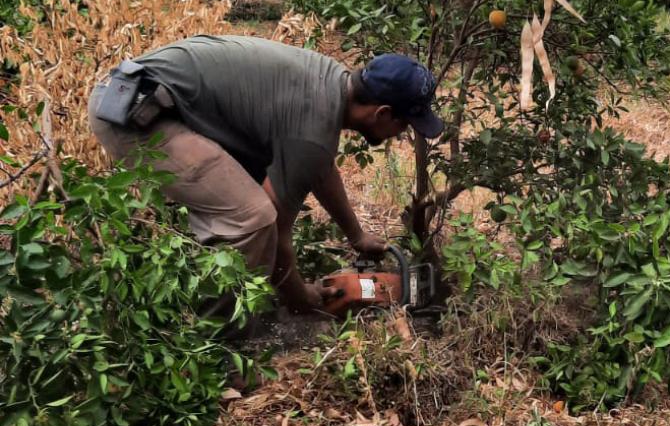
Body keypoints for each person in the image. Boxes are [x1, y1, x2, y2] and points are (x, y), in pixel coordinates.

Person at [88, 35, 443, 315]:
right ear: (382, 113)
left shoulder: (330, 83)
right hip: (134, 113)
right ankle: (219, 352)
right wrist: (301, 297)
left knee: (247, 210)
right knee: (253, 219)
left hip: (142, 94)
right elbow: (276, 229)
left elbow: (318, 166)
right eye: (405, 124)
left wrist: (356, 235)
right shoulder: (314, 127)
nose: (401, 134)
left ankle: (210, 287)